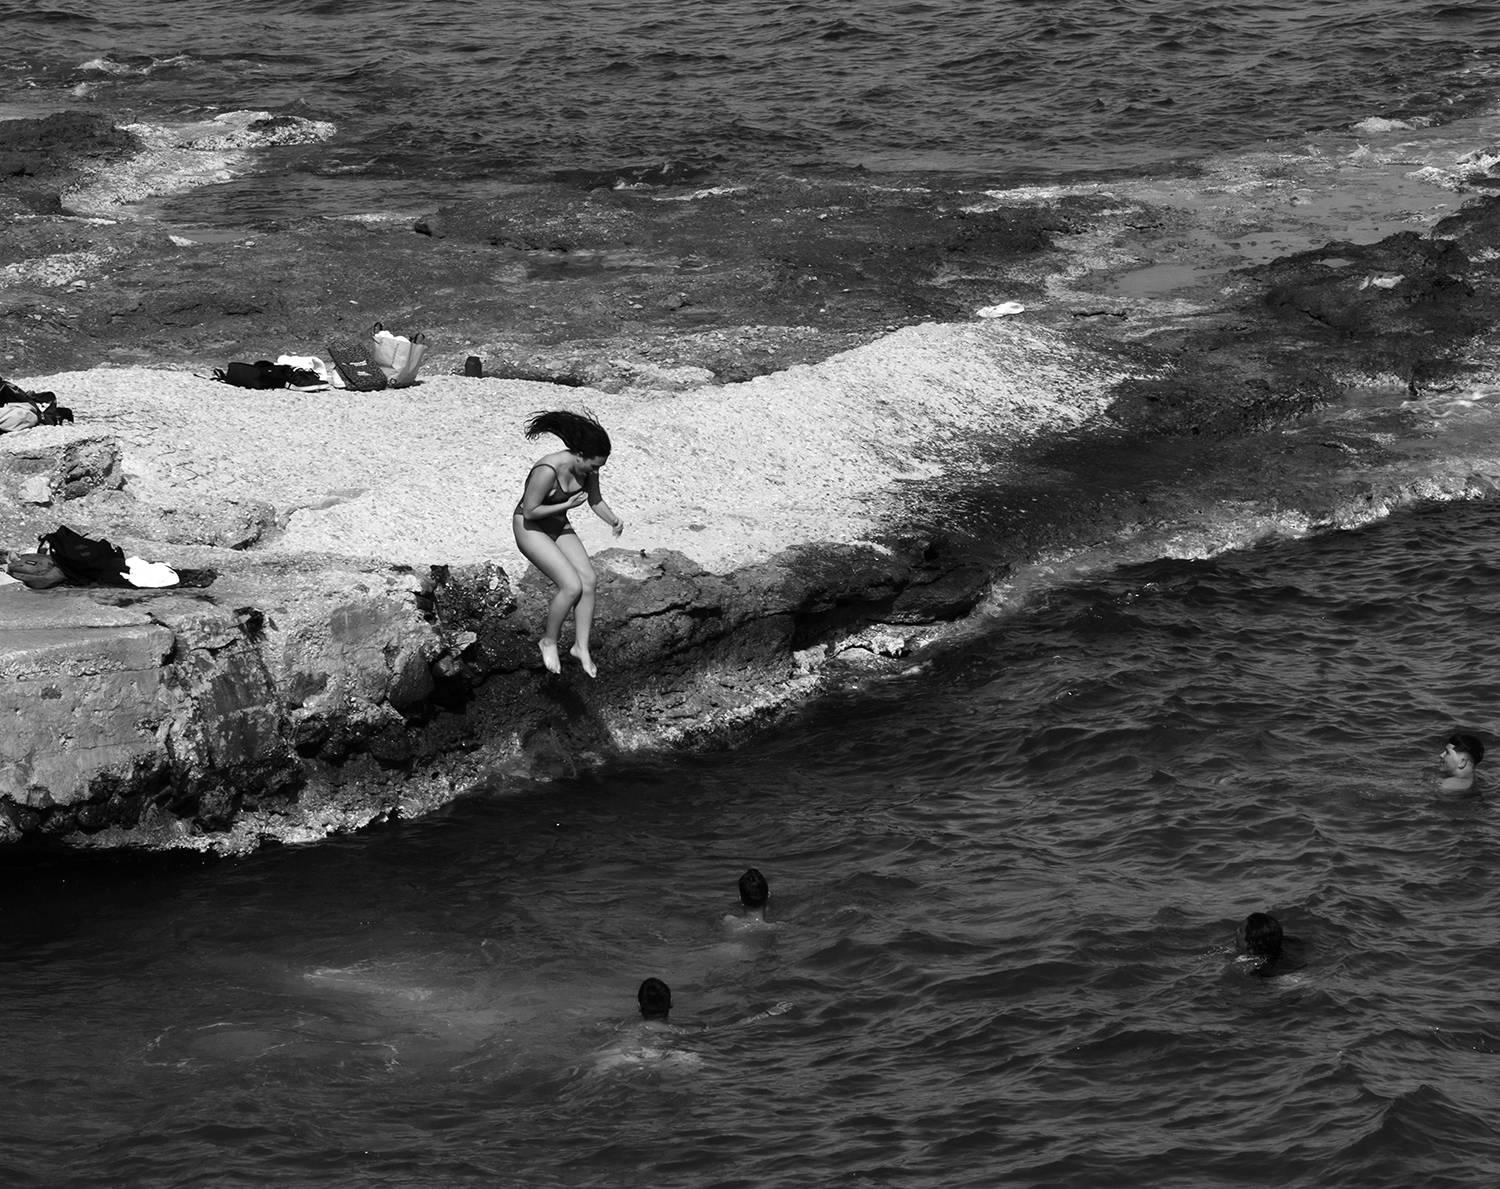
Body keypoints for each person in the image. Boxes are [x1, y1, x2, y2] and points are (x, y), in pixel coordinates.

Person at [512, 410, 624, 678]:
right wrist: (567, 505)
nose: (595, 471)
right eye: (593, 466)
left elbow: (595, 499)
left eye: (599, 467)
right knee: (571, 585)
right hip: (529, 526)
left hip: (556, 522)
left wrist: (613, 520)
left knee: (589, 580)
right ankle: (548, 641)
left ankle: (580, 647)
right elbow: (530, 511)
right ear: (579, 455)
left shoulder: (589, 467)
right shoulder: (547, 470)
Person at [1236, 911, 1305, 978]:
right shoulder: (1291, 942)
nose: (1237, 930)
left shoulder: (1261, 971)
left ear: (1250, 944)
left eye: (1241, 931)